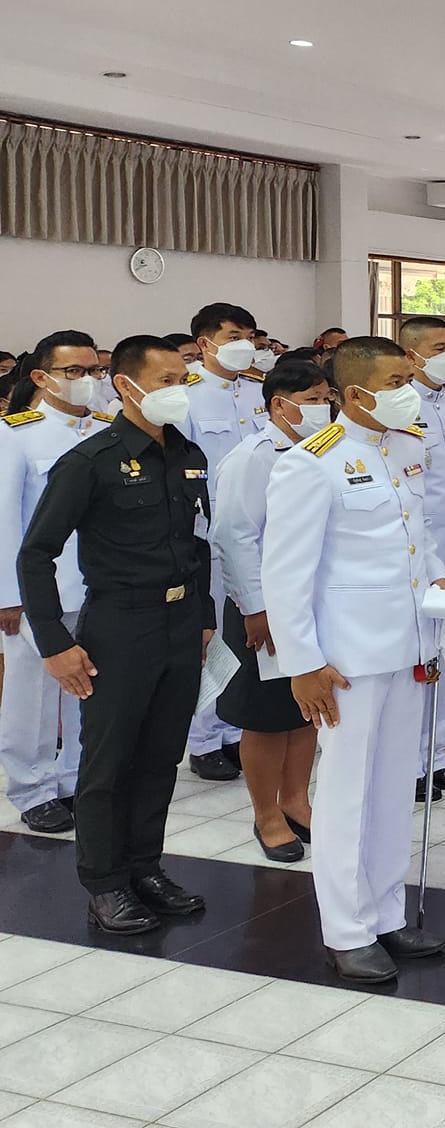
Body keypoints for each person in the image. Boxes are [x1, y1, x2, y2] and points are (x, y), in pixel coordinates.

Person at [265, 336, 445, 982]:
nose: (411, 391)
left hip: (408, 645)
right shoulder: (311, 461)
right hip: (345, 658)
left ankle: (385, 912)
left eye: (410, 378)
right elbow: (285, 572)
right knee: (347, 796)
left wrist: (440, 583)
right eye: (397, 381)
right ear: (355, 394)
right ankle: (346, 930)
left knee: (394, 787)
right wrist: (303, 663)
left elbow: (416, 537)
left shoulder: (406, 447)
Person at [17, 334, 214, 935]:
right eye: (164, 382)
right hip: (119, 625)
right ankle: (105, 884)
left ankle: (144, 867)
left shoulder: (187, 453)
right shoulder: (91, 460)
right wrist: (54, 642)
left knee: (160, 756)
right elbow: (36, 554)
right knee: (107, 762)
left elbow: (198, 542)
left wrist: (204, 616)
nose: (177, 391)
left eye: (182, 380)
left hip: (180, 623)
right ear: (125, 386)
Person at [211, 356, 333, 862]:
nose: (322, 408)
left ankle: (296, 801)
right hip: (261, 608)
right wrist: (256, 609)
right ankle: (266, 814)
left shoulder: (324, 450)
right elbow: (233, 536)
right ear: (279, 405)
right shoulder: (253, 457)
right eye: (311, 401)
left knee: (305, 711)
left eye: (326, 398)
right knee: (264, 717)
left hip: (311, 603)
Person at [0, 331, 109, 834]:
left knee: (88, 688)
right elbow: (4, 520)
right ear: (42, 377)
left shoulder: (107, 430)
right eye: (74, 372)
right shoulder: (16, 434)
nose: (88, 380)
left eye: (95, 371)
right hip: (39, 591)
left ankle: (74, 781)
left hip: (101, 586)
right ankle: (33, 787)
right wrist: (8, 595)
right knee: (35, 695)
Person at [183, 300, 265, 780]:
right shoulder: (187, 397)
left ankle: (235, 728)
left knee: (246, 635)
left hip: (259, 534)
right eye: (234, 336)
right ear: (205, 343)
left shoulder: (257, 392)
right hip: (209, 537)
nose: (244, 346)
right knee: (211, 636)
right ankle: (204, 738)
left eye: (249, 337)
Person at [399, 316, 445, 802]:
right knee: (418, 661)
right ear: (411, 355)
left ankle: (437, 756)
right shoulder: (398, 407)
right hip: (420, 558)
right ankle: (409, 763)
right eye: (439, 348)